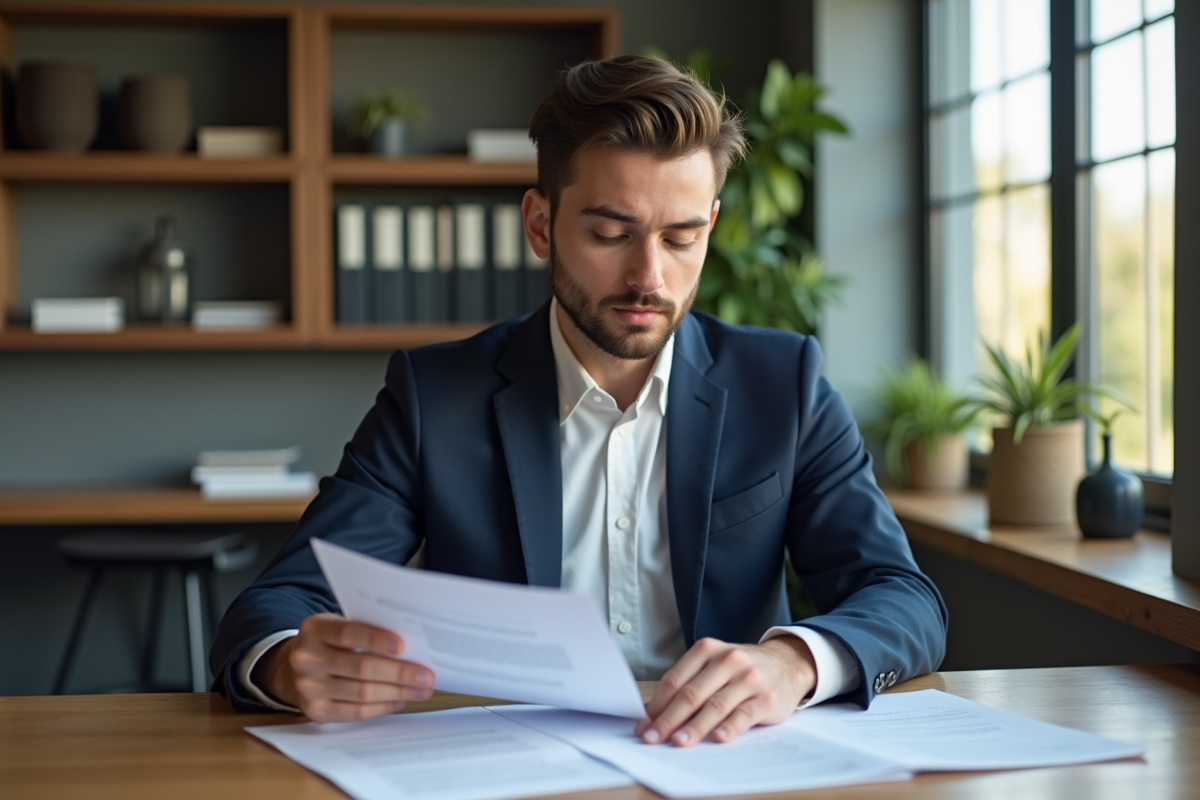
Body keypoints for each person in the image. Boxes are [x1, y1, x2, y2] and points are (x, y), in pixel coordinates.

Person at [211, 54, 947, 748]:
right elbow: (278, 603)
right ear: (541, 225)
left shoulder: (782, 383)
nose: (648, 276)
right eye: (609, 233)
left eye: (682, 238)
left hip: (723, 765)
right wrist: (286, 664)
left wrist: (794, 663)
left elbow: (903, 599)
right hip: (502, 765)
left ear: (711, 227)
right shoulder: (434, 396)